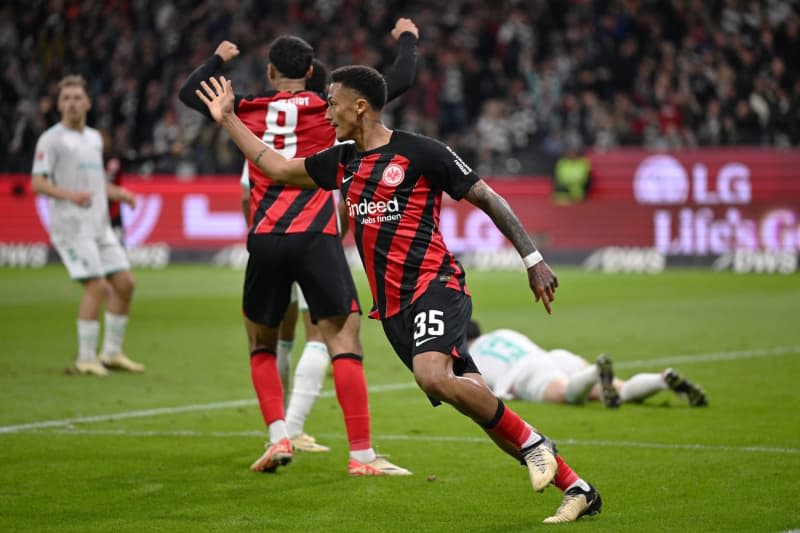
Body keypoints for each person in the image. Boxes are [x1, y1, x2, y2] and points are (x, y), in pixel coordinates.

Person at [195, 68, 602, 524]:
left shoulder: (420, 152)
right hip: (392, 310)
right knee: (477, 404)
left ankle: (536, 445)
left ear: (359, 107)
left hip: (436, 285)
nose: (326, 112)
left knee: (432, 376)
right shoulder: (340, 161)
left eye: (332, 103)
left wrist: (533, 260)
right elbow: (274, 165)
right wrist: (228, 118)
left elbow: (487, 197)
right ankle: (578, 487)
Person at [179, 20, 419, 475]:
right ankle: (362, 455)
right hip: (316, 234)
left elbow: (191, 91)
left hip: (266, 235)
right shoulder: (326, 108)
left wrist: (219, 59)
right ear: (312, 72)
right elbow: (401, 79)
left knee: (261, 342)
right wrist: (408, 36)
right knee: (343, 338)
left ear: (270, 73)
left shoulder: (248, 107)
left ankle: (278, 437)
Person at [31, 75, 144, 376]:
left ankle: (112, 353)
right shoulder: (51, 140)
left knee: (125, 284)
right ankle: (85, 358)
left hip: (99, 226)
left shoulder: (94, 138)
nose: (71, 103)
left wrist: (118, 193)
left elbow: (96, 184)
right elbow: (37, 182)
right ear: (58, 104)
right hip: (72, 226)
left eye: (77, 97)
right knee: (97, 285)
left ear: (88, 103)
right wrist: (70, 196)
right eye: (66, 98)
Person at [467, 321, 708, 408]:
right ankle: (661, 380)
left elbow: (485, 382)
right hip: (554, 357)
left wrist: (502, 392)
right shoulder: (503, 332)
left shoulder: (472, 355)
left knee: (566, 393)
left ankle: (595, 371)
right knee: (620, 391)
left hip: (529, 373)